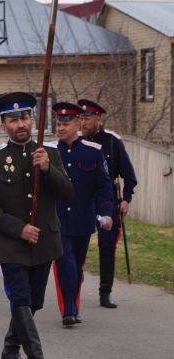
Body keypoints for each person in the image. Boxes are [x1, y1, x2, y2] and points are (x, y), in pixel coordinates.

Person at [0, 92, 73, 359]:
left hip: (44, 242)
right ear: (2, 125)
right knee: (20, 298)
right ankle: (35, 354)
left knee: (35, 302)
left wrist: (47, 170)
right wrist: (18, 229)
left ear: (32, 120)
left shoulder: (50, 153)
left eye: (24, 118)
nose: (20, 124)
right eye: (12, 120)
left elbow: (67, 193)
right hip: (11, 245)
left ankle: (9, 350)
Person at [51, 102, 113, 326]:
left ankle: (72, 305)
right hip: (57, 220)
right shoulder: (49, 152)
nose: (61, 128)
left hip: (83, 219)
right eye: (58, 123)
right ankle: (68, 309)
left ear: (78, 124)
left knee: (76, 265)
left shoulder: (93, 152)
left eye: (66, 124)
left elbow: (104, 186)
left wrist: (107, 213)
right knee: (65, 262)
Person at [77, 99, 138, 309]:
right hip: (83, 199)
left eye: (86, 119)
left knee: (107, 245)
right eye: (80, 119)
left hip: (107, 200)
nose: (83, 123)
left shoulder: (112, 142)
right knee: (77, 245)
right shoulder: (77, 142)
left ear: (97, 118)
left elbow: (129, 175)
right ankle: (73, 290)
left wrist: (126, 199)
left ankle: (105, 291)